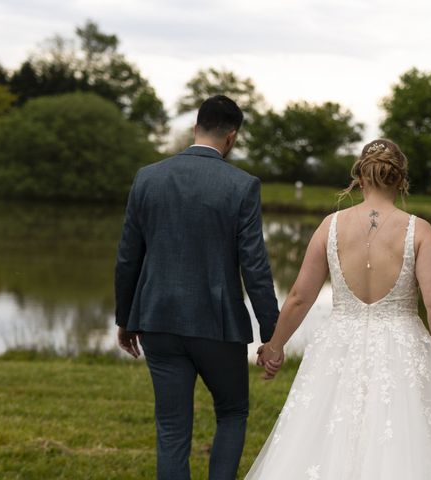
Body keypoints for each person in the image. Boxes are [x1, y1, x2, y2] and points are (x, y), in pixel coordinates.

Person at [251, 139, 431, 479]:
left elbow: (300, 295)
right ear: (401, 180)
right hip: (401, 348)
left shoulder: (330, 226)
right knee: (398, 440)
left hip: (338, 344)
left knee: (324, 436)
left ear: (360, 178)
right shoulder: (419, 230)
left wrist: (275, 346)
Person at [114, 95, 280, 480]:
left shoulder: (148, 177)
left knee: (171, 427)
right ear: (232, 136)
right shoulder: (242, 186)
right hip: (217, 326)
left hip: (157, 319)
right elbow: (254, 266)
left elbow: (127, 258)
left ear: (195, 127)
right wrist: (271, 334)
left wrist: (126, 317)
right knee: (232, 411)